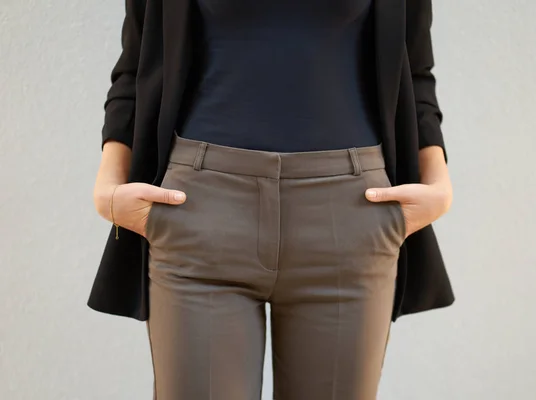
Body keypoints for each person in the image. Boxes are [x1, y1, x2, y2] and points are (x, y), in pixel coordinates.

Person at [89, 0, 455, 399]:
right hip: (200, 211)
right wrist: (108, 185)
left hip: (348, 216)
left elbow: (415, 70)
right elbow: (137, 64)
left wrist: (439, 184)